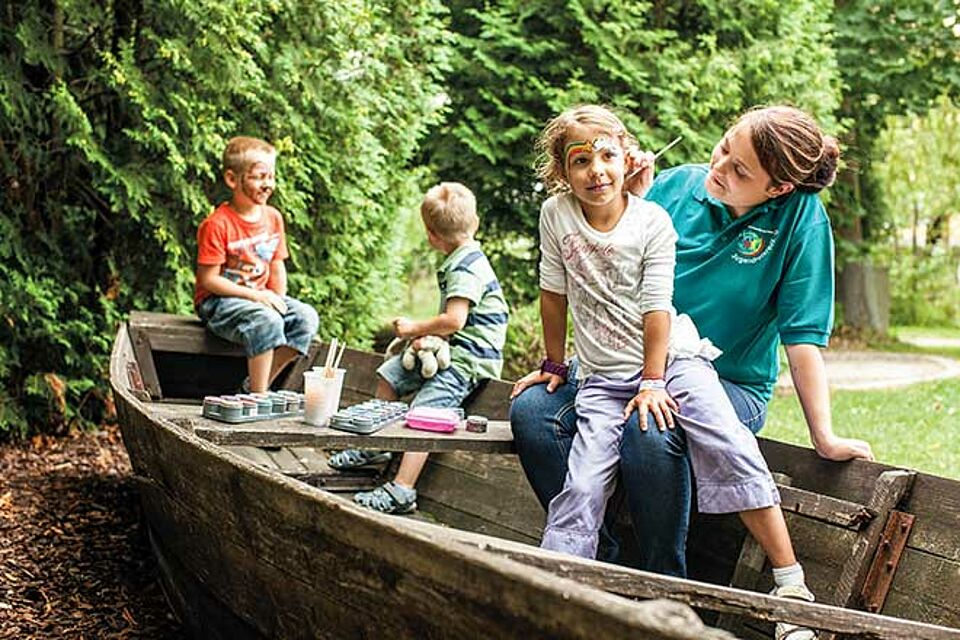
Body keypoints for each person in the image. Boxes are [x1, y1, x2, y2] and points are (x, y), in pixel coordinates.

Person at [513, 105, 822, 639]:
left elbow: (803, 336)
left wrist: (825, 435)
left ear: (777, 188)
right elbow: (599, 264)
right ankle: (597, 569)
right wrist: (557, 363)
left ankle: (674, 587)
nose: (719, 165)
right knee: (534, 412)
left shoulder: (799, 221)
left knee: (651, 428)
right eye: (724, 146)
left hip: (708, 373)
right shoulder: (672, 190)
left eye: (740, 170)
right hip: (617, 369)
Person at [330, 182, 509, 514]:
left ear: (432, 236)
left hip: (470, 359)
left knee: (426, 413)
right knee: (391, 374)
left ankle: (403, 489)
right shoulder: (461, 257)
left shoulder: (467, 267)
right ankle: (376, 447)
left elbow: (455, 320)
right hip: (450, 348)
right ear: (476, 222)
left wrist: (415, 327)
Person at [194, 136, 319, 393]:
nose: (268, 184)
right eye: (259, 177)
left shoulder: (273, 218)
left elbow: (276, 264)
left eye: (271, 177)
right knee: (267, 320)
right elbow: (209, 280)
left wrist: (279, 299)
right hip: (218, 302)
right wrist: (255, 295)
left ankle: (255, 386)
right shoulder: (217, 224)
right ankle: (258, 397)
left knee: (305, 318)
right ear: (232, 179)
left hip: (258, 298)